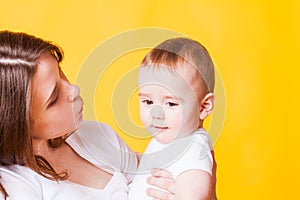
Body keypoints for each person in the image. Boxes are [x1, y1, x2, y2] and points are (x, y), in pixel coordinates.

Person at [0, 30, 178, 200]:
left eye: (61, 73)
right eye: (54, 98)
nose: (73, 90)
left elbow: (150, 169)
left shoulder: (96, 134)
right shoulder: (13, 186)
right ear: (16, 125)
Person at [128, 37, 216, 200]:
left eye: (170, 103)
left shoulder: (192, 148)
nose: (156, 113)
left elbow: (195, 192)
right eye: (148, 101)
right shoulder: (172, 140)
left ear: (203, 107)